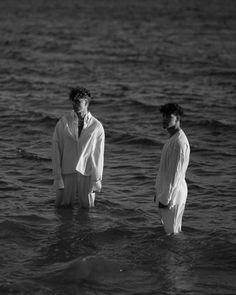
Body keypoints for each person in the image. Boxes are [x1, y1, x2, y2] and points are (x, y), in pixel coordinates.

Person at [52, 86, 105, 209]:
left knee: (87, 208)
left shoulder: (96, 126)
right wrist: (57, 175)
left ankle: (86, 229)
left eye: (78, 101)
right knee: (62, 207)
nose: (74, 105)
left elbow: (98, 155)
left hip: (86, 171)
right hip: (67, 170)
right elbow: (56, 149)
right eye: (73, 101)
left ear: (86, 102)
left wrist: (96, 179)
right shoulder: (63, 122)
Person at [154, 103, 190, 234]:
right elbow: (165, 171)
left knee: (173, 234)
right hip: (167, 194)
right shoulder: (172, 139)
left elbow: (175, 175)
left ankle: (178, 255)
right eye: (163, 116)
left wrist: (165, 199)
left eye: (168, 117)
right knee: (170, 233)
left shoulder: (179, 143)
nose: (164, 119)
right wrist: (158, 192)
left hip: (173, 197)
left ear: (178, 119)